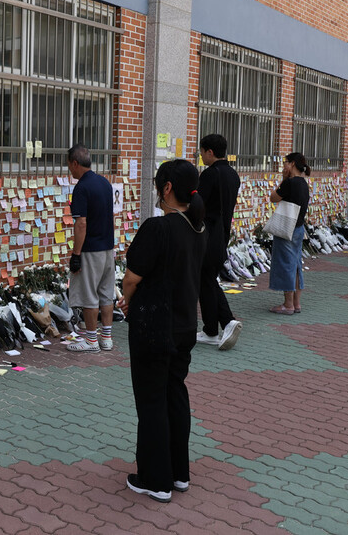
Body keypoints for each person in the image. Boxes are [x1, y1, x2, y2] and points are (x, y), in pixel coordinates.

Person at [116, 159, 205, 502]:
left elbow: (132, 277)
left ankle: (155, 479)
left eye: (158, 184)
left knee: (152, 401)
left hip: (154, 327)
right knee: (174, 394)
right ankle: (178, 473)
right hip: (184, 326)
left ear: (167, 188)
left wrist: (127, 298)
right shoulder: (199, 228)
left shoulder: (159, 228)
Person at [66, 144, 115, 352]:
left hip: (90, 249)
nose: (70, 170)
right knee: (106, 293)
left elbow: (81, 224)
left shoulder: (82, 188)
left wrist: (76, 254)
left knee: (89, 295)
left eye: (69, 166)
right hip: (107, 248)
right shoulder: (105, 183)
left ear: (75, 163)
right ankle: (106, 338)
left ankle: (91, 341)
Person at [195, 134, 242, 350]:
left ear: (210, 152)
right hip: (222, 234)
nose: (201, 156)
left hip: (207, 235)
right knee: (206, 280)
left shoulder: (209, 174)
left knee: (207, 280)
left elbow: (198, 205)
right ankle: (210, 330)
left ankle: (226, 321)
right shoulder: (233, 175)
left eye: (202, 152)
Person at [268, 153, 310, 315]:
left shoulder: (290, 183)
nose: (284, 166)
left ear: (292, 164)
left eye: (285, 163)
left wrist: (284, 179)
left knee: (286, 264)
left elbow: (273, 198)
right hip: (299, 228)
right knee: (296, 264)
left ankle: (287, 304)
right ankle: (296, 303)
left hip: (286, 228)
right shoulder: (303, 183)